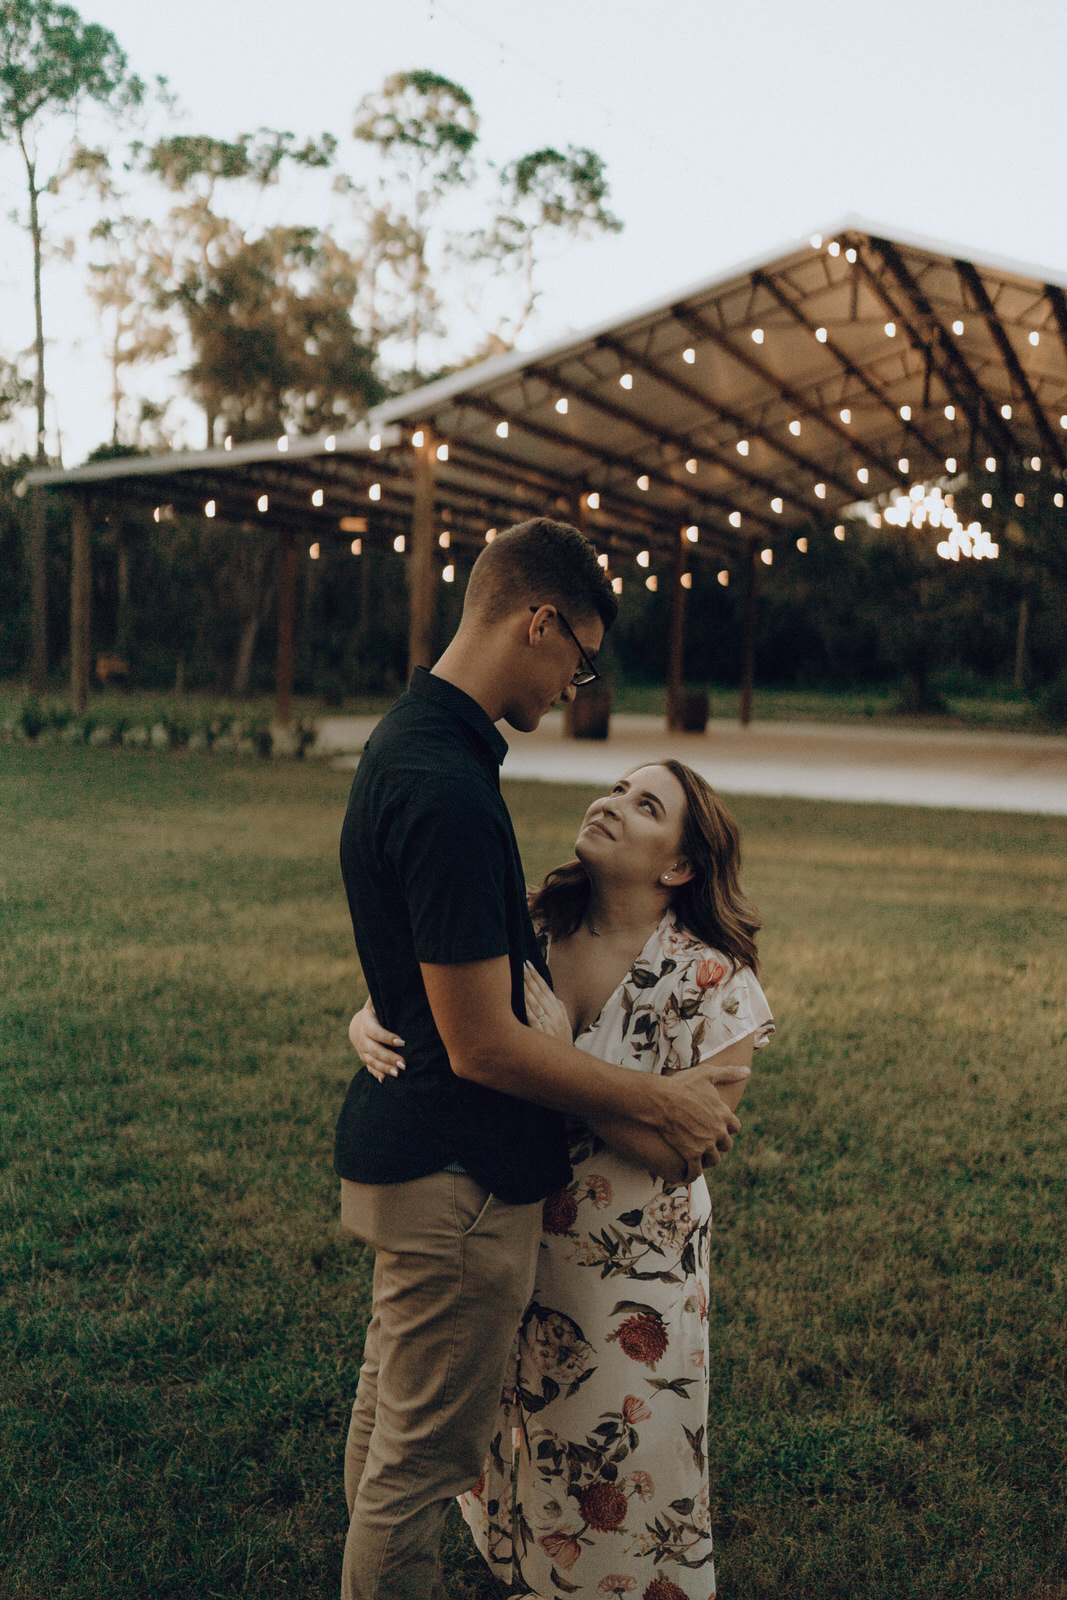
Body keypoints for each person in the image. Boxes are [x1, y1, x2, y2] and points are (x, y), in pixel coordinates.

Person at [333, 519, 746, 1600]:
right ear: (539, 621)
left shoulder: (414, 747)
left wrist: (377, 1011)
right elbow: (477, 1036)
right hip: (452, 1178)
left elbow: (436, 962)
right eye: (578, 654)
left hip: (426, 1165)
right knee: (413, 1471)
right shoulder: (450, 783)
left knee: (388, 1435)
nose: (575, 682)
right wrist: (656, 1098)